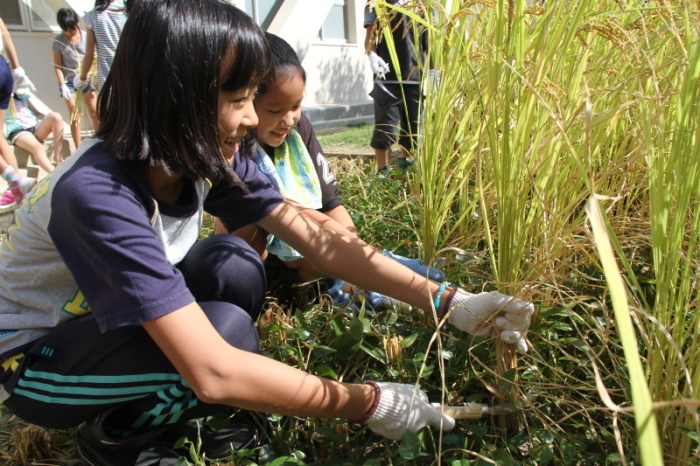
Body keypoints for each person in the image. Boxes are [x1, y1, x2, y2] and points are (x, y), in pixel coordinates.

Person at [0, 2, 534, 465]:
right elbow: (213, 369)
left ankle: (160, 399)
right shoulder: (98, 193)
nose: (252, 117)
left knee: (232, 262)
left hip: (110, 324)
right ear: (176, 98)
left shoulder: (206, 153)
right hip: (36, 360)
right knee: (226, 337)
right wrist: (367, 402)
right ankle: (116, 436)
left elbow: (316, 235)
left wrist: (449, 300)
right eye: (239, 99)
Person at [214, 32, 443, 307]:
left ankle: (360, 283)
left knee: (367, 266)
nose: (288, 120)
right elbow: (258, 226)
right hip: (262, 257)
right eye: (274, 110)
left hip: (309, 250)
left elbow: (330, 204)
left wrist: (350, 257)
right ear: (248, 101)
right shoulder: (235, 145)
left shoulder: (299, 131)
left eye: (296, 106)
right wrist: (316, 257)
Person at [364, 0, 427, 176]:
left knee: (412, 130)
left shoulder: (421, 5)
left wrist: (433, 72)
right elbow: (370, 39)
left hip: (415, 77)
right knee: (386, 128)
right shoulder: (376, 3)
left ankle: (406, 170)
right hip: (387, 77)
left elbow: (428, 42)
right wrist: (372, 56)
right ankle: (383, 173)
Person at [0, 15, 38, 213]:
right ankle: (16, 189)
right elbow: (5, 34)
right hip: (3, 68)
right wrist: (17, 69)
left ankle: (15, 181)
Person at [52, 7, 99, 148]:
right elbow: (57, 66)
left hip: (86, 79)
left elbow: (94, 57)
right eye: (66, 29)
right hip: (70, 82)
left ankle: (99, 143)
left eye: (71, 28)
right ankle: (78, 148)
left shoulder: (87, 36)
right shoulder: (58, 41)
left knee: (94, 110)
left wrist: (88, 75)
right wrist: (62, 85)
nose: (69, 32)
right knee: (74, 113)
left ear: (77, 23)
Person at [73, 0, 130, 99]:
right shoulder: (132, 13)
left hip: (108, 84)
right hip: (131, 82)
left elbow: (89, 57)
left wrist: (82, 79)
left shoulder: (93, 16)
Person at [4, 93, 64, 172]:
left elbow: (37, 113)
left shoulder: (21, 94)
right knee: (38, 147)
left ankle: (58, 157)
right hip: (17, 130)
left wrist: (48, 117)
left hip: (34, 126)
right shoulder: (3, 96)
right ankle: (54, 175)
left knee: (56, 117)